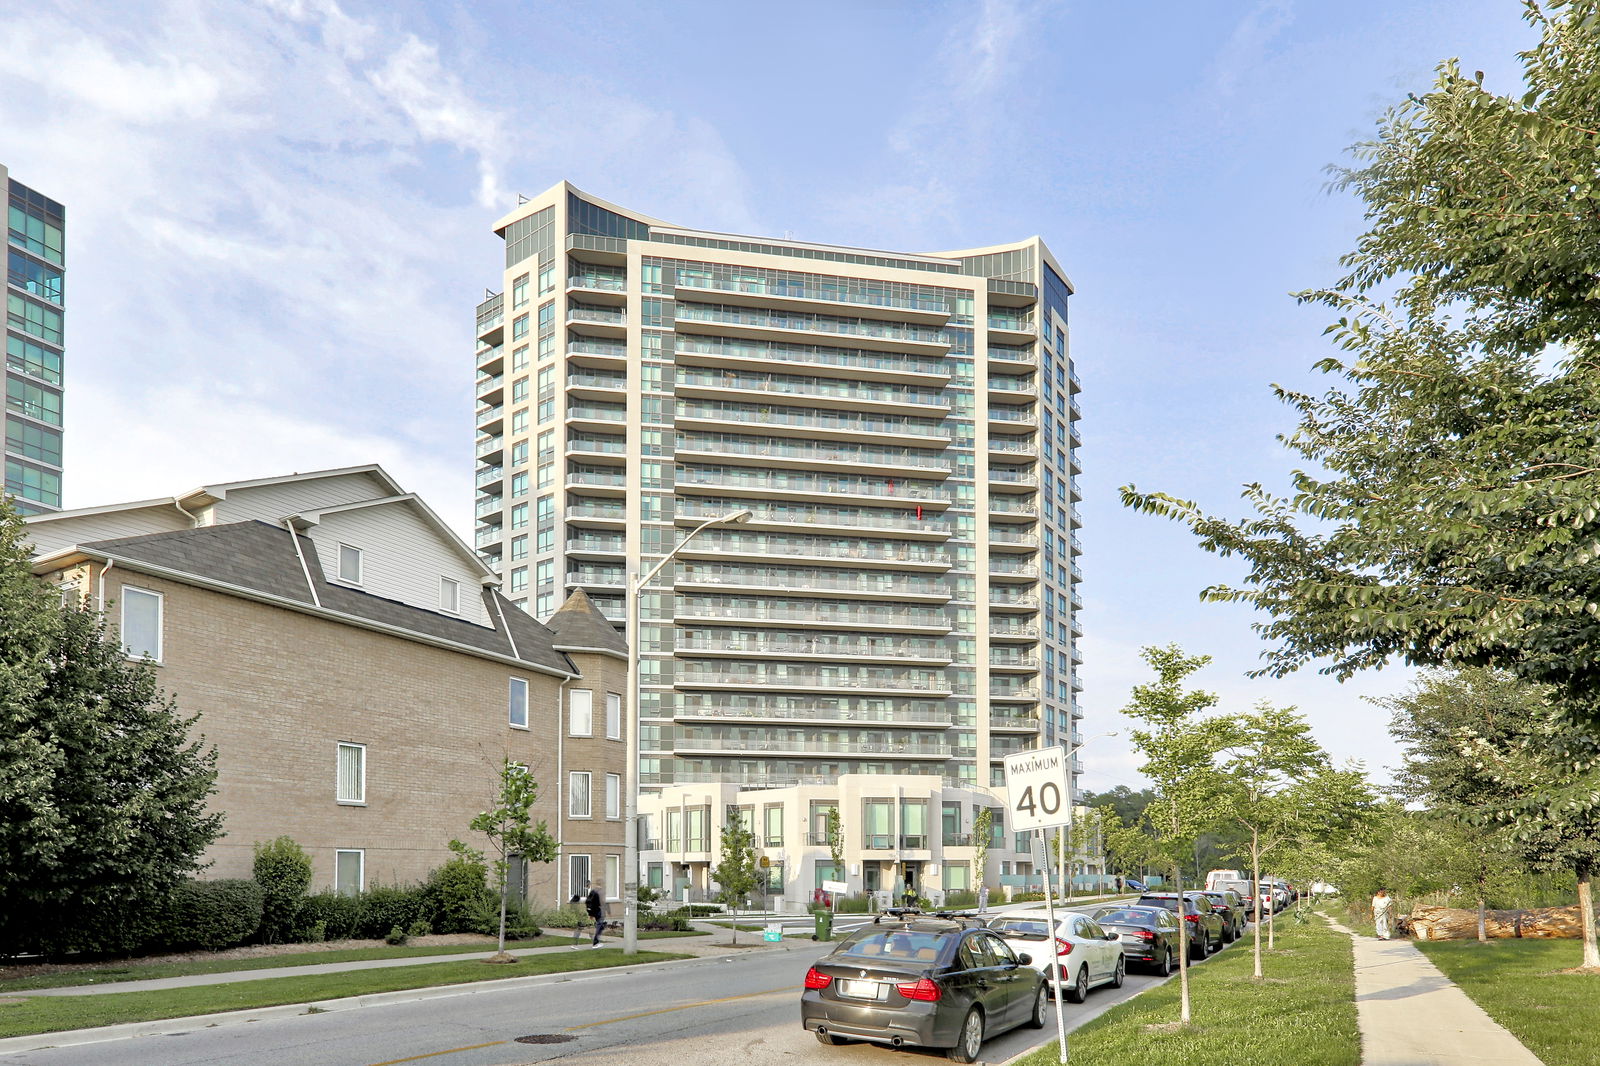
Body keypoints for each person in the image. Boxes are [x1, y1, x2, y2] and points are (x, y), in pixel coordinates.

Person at [585, 880, 605, 947]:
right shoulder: (598, 893)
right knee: (600, 925)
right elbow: (598, 903)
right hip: (598, 911)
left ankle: (595, 938)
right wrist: (591, 914)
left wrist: (590, 914)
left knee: (601, 926)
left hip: (595, 912)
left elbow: (588, 902)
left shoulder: (593, 892)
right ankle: (595, 943)